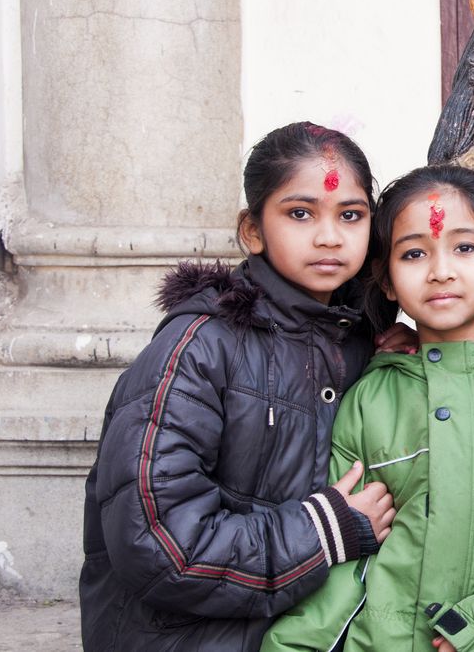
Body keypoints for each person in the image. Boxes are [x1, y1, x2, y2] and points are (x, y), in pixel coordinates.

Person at [81, 122, 405, 651]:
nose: (329, 236)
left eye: (351, 215)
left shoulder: (359, 340)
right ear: (252, 231)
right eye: (300, 214)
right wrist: (322, 532)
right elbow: (161, 545)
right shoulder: (198, 349)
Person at [261, 164, 474, 652]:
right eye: (413, 254)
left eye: (465, 248)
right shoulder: (369, 399)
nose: (441, 271)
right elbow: (342, 564)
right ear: (387, 280)